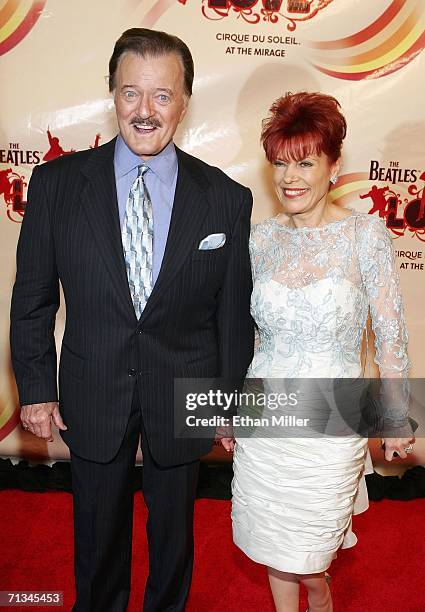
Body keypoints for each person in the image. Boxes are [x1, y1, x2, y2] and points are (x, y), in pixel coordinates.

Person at [10, 28, 254, 611]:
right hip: (94, 386)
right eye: (130, 94)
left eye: (162, 96)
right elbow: (34, 298)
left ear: (185, 101)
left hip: (185, 388)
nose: (145, 112)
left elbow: (233, 314)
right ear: (112, 96)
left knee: (174, 542)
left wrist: (230, 402)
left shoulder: (226, 198)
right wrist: (37, 390)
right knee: (96, 541)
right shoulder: (57, 185)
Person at [226, 92, 414, 612]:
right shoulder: (259, 241)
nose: (291, 177)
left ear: (334, 165)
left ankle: (322, 600)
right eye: (281, 162)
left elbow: (390, 337)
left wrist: (398, 418)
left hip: (333, 421)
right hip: (266, 415)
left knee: (309, 555)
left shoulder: (365, 235)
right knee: (271, 545)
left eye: (305, 162)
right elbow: (248, 337)